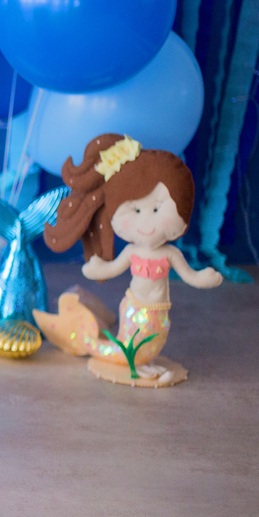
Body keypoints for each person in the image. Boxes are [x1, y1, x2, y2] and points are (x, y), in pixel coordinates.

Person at [40, 133, 222, 376]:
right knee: (132, 345)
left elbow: (189, 275)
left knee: (152, 341)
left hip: (159, 311)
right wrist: (98, 268)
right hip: (134, 309)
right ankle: (115, 353)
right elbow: (112, 268)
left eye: (157, 208)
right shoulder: (132, 251)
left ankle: (140, 362)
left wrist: (202, 278)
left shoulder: (168, 253)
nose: (146, 221)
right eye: (135, 210)